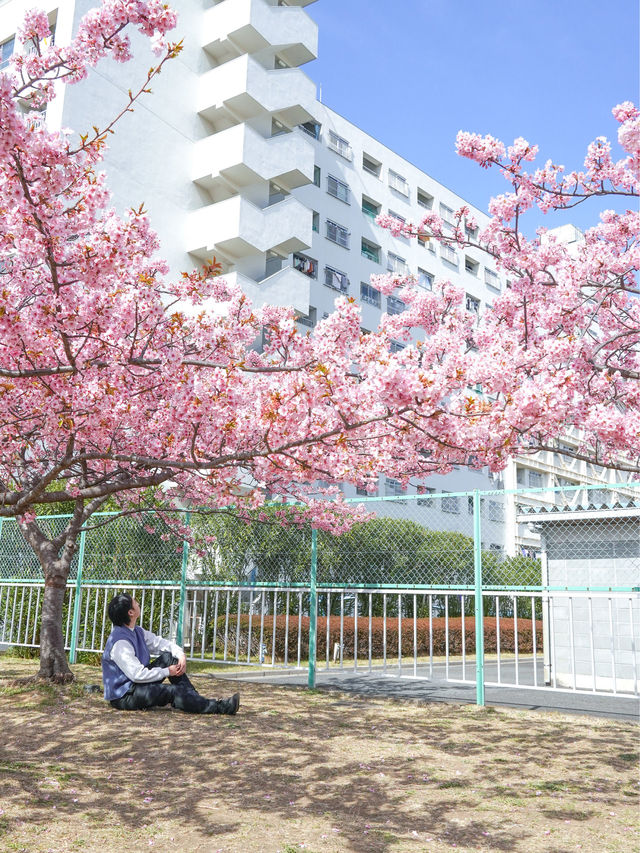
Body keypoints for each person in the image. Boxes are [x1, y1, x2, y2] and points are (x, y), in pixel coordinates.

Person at [102, 592, 239, 715]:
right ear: (130, 612)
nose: (138, 603)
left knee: (169, 657)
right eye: (135, 602)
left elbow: (159, 643)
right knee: (172, 691)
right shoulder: (120, 643)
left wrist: (180, 655)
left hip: (136, 684)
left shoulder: (136, 631)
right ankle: (219, 707)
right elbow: (137, 675)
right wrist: (167, 671)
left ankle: (195, 701)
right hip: (125, 695)